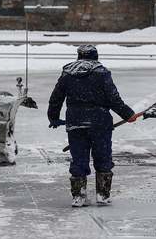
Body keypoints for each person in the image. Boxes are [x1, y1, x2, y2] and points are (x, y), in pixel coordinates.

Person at [47, 44, 137, 207]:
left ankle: (79, 197)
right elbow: (113, 99)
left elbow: (56, 99)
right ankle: (102, 194)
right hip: (99, 122)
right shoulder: (102, 73)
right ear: (95, 56)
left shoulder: (67, 74)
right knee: (103, 157)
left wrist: (53, 118)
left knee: (79, 159)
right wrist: (128, 114)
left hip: (75, 122)